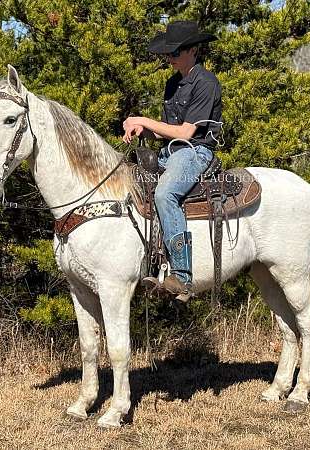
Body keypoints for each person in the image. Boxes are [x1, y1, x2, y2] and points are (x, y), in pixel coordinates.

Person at [122, 20, 222, 298]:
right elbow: (167, 132)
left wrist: (143, 119)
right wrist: (145, 130)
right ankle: (149, 264)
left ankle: (181, 275)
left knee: (165, 194)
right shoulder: (172, 84)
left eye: (174, 53)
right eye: (168, 53)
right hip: (171, 152)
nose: (169, 58)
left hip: (195, 152)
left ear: (192, 50)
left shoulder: (206, 83)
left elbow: (186, 133)